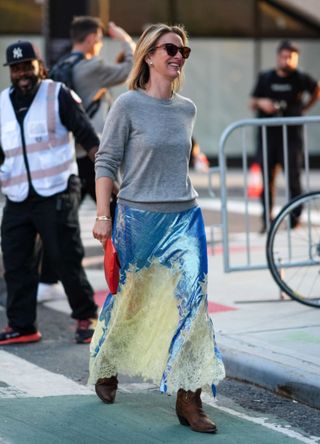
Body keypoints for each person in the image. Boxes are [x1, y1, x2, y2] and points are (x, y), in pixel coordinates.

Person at [89, 23, 225, 434]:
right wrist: (102, 214)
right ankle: (108, 363)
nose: (178, 55)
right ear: (149, 55)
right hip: (137, 218)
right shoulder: (127, 105)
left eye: (184, 49)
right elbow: (106, 161)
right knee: (128, 299)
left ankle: (190, 397)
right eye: (170, 48)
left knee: (194, 303)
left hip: (184, 217)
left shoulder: (188, 109)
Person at [0, 40, 99, 345]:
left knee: (65, 256)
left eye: (27, 66)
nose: (22, 74)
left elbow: (88, 137)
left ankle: (86, 316)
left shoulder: (57, 94)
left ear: (39, 66)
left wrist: (108, 176)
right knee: (16, 262)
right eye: (16, 69)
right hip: (17, 194)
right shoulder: (2, 103)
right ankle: (22, 325)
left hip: (56, 189)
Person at [38, 17, 135, 302]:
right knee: (117, 214)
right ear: (93, 38)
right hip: (96, 155)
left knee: (63, 220)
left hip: (73, 154)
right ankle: (129, 273)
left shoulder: (63, 66)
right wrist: (126, 39)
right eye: (100, 38)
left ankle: (46, 280)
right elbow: (130, 69)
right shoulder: (91, 66)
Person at [250, 40, 320, 233]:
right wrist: (262, 102)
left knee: (293, 179)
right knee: (267, 180)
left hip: (291, 136)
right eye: (284, 56)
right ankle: (267, 221)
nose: (286, 60)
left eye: (291, 57)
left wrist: (304, 108)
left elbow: (316, 89)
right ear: (278, 57)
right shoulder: (265, 78)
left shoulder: (300, 78)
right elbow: (251, 101)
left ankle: (295, 219)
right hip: (268, 136)